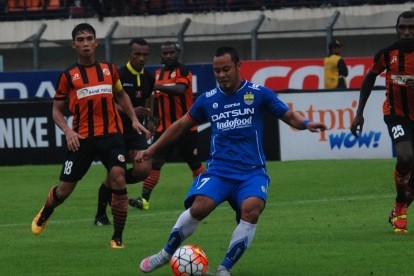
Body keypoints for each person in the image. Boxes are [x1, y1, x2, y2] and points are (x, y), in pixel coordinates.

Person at [136, 46, 327, 275]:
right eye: (217, 71)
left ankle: (224, 268)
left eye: (226, 69)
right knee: (199, 208)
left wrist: (306, 124)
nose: (221, 75)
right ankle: (165, 254)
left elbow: (288, 115)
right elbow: (180, 125)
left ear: (238, 66)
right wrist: (152, 149)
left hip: (252, 172)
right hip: (219, 171)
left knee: (251, 209)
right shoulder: (208, 99)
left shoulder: (258, 93)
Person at [31, 23, 149, 249]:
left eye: (89, 39)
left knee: (118, 178)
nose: (85, 43)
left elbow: (121, 95)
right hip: (82, 139)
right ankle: (46, 211)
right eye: (81, 40)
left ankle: (117, 238)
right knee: (64, 190)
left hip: (112, 137)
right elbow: (56, 110)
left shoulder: (109, 69)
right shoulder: (68, 76)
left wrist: (133, 118)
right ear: (74, 45)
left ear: (96, 42)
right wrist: (68, 131)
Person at [350, 11, 414, 234]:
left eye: (411, 28)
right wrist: (359, 113)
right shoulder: (387, 54)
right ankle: (400, 206)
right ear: (396, 29)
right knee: (405, 157)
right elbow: (369, 79)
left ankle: (399, 210)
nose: (407, 32)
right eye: (402, 27)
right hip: (395, 113)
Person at [128, 41, 205, 211]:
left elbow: (179, 89)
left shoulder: (183, 71)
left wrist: (155, 85)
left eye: (172, 53)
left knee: (194, 163)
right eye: (166, 53)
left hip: (185, 128)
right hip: (164, 129)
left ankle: (204, 195)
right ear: (161, 55)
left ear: (178, 54)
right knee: (154, 163)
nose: (169, 56)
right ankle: (144, 200)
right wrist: (151, 119)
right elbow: (153, 97)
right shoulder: (157, 73)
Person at [94, 38, 155, 226]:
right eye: (137, 54)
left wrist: (151, 119)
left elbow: (149, 96)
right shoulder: (118, 74)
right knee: (115, 173)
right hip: (115, 129)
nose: (141, 58)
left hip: (135, 129)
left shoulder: (149, 77)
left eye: (145, 54)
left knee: (144, 169)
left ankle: (115, 185)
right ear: (129, 54)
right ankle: (100, 215)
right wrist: (130, 112)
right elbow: (109, 101)